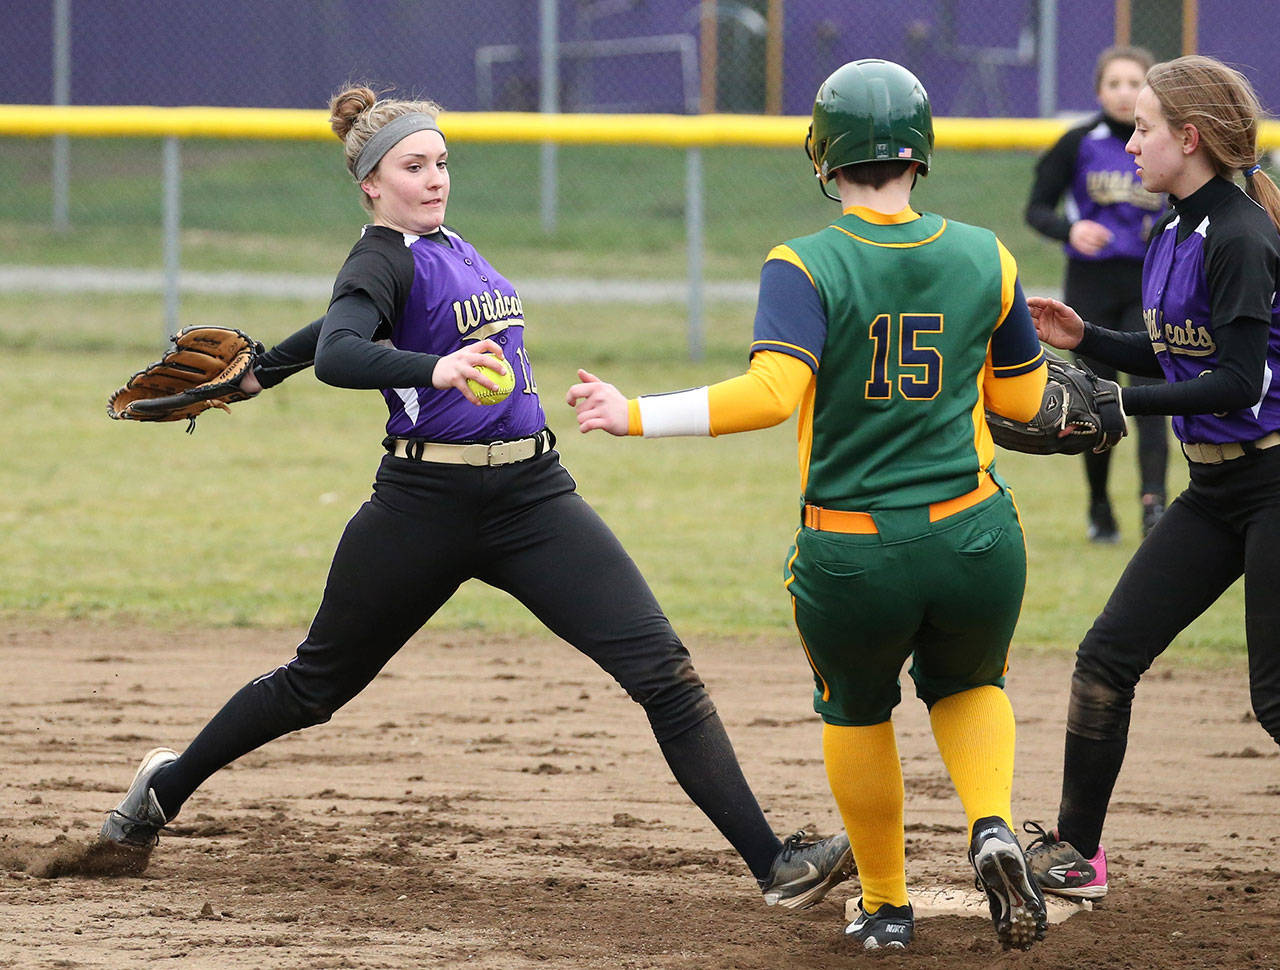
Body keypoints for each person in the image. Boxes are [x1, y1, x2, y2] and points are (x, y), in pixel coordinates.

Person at [97, 85, 855, 912]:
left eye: (441, 162)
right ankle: (162, 791)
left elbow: (354, 325)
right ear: (371, 185)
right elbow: (346, 348)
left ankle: (775, 865)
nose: (434, 178)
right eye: (412, 166)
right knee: (314, 686)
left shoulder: (448, 247)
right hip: (424, 505)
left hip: (533, 497)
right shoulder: (378, 256)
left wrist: (263, 370)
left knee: (663, 671)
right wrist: (438, 368)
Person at [566, 58, 1049, 953]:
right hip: (975, 534)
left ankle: (887, 907)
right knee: (970, 684)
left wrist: (632, 414)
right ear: (922, 151)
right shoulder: (989, 254)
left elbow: (772, 394)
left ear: (825, 158)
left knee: (857, 709)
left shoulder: (804, 263)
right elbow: (1021, 401)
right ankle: (990, 822)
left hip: (854, 551)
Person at [1023, 54, 1280, 902]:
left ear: (1190, 138)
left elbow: (1237, 381)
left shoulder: (1240, 236)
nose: (1129, 144)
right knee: (1106, 657)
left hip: (1274, 482)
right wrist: (1087, 340)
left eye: (1144, 128)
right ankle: (1077, 854)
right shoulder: (1172, 230)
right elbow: (1180, 352)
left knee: (1275, 699)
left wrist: (1117, 403)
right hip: (1214, 493)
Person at [1025, 45, 1170, 542]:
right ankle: (1099, 505)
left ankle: (1154, 503)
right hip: (1090, 287)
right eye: (1115, 83)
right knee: (1095, 401)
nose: (1125, 93)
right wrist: (1071, 229)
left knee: (1152, 394)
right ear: (1098, 91)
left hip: (1149, 283)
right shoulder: (1078, 142)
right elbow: (1036, 208)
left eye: (1135, 83)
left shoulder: (1166, 140)